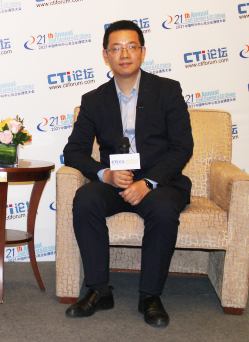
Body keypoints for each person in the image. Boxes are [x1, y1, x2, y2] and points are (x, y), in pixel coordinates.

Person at [62, 20, 193, 327]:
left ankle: (150, 296)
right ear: (105, 55)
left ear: (142, 52)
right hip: (116, 180)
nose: (124, 54)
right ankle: (98, 290)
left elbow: (182, 147)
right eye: (116, 48)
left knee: (162, 209)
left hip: (160, 181)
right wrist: (104, 174)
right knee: (85, 198)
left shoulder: (167, 91)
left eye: (131, 47)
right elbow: (74, 151)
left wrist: (148, 182)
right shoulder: (94, 100)